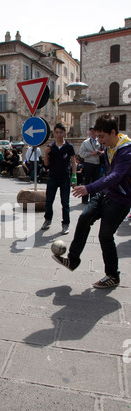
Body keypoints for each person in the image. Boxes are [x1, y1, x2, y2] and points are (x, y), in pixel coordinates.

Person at [53, 113, 131, 289]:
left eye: (102, 136)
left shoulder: (126, 150)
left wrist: (89, 188)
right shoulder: (110, 146)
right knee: (84, 217)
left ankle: (113, 276)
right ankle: (73, 260)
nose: (99, 139)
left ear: (113, 132)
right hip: (106, 193)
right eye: (98, 136)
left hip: (121, 199)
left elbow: (117, 176)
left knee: (105, 235)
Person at [41, 123, 77, 235]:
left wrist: (74, 176)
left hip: (65, 178)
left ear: (64, 133)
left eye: (61, 132)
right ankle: (47, 220)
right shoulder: (51, 147)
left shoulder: (69, 147)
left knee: (65, 203)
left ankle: (65, 224)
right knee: (49, 201)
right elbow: (46, 164)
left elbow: (73, 162)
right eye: (56, 132)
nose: (59, 134)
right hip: (52, 177)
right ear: (54, 133)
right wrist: (46, 154)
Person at [79, 126, 104, 204]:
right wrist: (90, 153)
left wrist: (101, 153)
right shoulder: (85, 142)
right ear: (89, 132)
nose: (93, 132)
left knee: (95, 181)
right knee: (87, 181)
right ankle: (84, 199)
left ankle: (93, 198)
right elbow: (81, 154)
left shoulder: (99, 141)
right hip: (88, 163)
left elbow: (105, 150)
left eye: (94, 131)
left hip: (97, 164)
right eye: (91, 131)